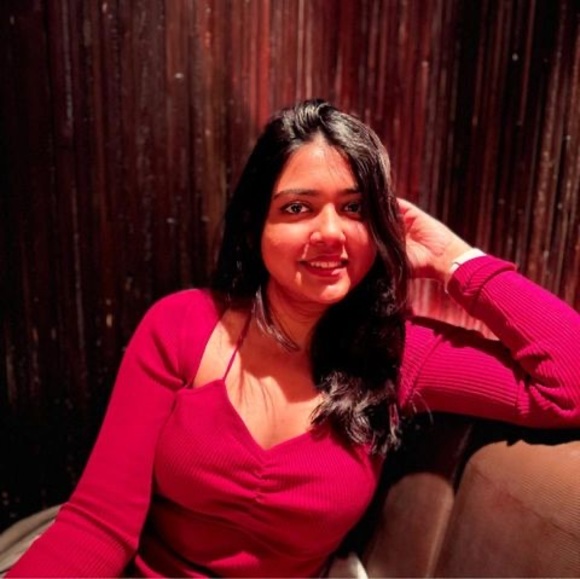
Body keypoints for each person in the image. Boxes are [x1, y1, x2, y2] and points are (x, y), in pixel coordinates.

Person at [7, 99, 580, 578]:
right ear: (256, 223)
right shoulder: (181, 325)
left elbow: (567, 383)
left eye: (354, 208)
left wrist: (455, 260)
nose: (330, 232)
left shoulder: (398, 354)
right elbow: (100, 523)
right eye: (298, 207)